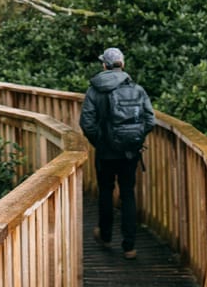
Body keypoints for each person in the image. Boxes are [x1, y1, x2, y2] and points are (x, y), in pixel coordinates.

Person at [79, 46, 155, 260]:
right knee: (128, 194)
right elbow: (150, 120)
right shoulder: (137, 89)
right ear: (123, 64)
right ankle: (129, 246)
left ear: (104, 65)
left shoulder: (95, 89)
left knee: (105, 192)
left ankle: (105, 235)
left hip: (105, 153)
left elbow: (86, 122)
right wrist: (135, 138)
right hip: (130, 153)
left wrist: (101, 142)